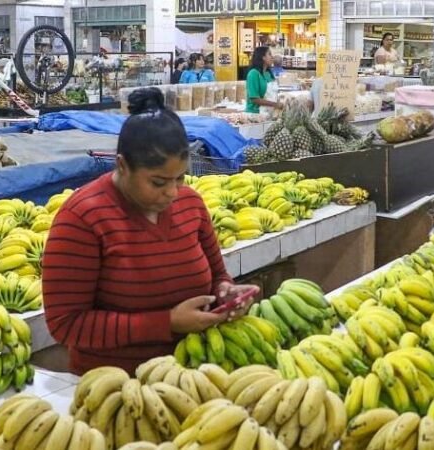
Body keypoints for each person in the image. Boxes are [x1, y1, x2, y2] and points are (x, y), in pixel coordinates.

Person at [42, 87, 259, 374]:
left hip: (189, 377)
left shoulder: (191, 204)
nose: (172, 192)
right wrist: (166, 323)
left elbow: (217, 275)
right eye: (158, 182)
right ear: (122, 165)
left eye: (179, 178)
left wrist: (225, 293)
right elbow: (66, 324)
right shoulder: (83, 218)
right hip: (113, 386)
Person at [245, 46, 282, 114]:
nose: (272, 57)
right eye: (269, 54)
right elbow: (254, 99)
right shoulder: (253, 74)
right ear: (263, 57)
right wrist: (275, 104)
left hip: (269, 113)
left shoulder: (269, 73)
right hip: (256, 114)